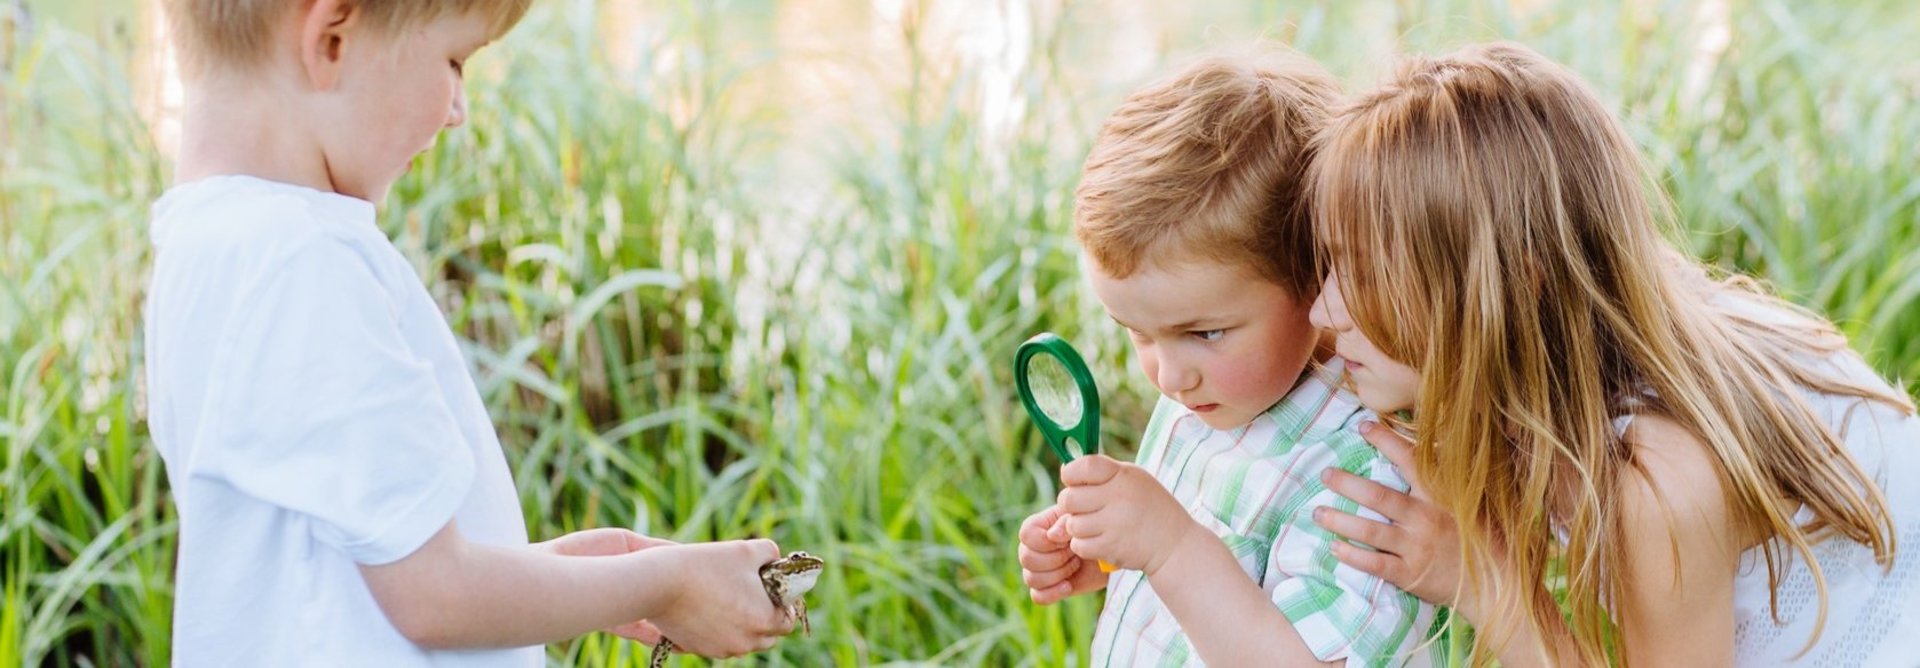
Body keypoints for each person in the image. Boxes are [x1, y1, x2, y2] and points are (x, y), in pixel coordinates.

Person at [143, 1, 794, 664]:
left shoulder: (212, 246)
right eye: (454, 61)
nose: (458, 109)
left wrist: (596, 576)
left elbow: (353, 567)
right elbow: (435, 597)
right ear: (332, 39)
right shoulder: (303, 262)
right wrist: (671, 583)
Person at [1306, 41, 1920, 666]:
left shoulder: (1652, 480)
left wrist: (1487, 586)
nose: (1323, 313)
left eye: (1366, 275)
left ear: (1517, 285)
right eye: (1331, 264)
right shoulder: (1596, 330)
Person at [1015, 50, 1446, 667]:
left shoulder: (1366, 472)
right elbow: (1213, 588)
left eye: (1206, 332)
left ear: (1314, 277)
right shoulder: (1211, 393)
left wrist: (1167, 546)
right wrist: (1116, 557)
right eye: (1137, 333)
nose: (1168, 375)